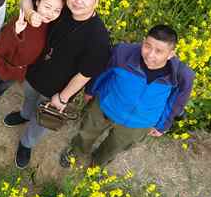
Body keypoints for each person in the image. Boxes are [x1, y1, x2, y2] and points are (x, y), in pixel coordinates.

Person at [5, 0, 111, 170]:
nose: (78, 1)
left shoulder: (98, 38)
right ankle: (24, 115)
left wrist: (63, 99)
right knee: (28, 99)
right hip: (34, 74)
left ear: (97, 1)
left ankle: (26, 144)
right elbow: (26, 0)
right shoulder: (61, 10)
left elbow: (84, 75)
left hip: (57, 90)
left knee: (42, 121)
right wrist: (30, 13)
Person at [59, 25, 194, 169]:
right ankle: (76, 152)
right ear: (143, 41)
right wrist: (90, 92)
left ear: (171, 54)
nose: (150, 55)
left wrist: (163, 125)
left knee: (114, 147)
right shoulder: (123, 53)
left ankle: (97, 165)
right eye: (147, 46)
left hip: (140, 122)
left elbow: (176, 103)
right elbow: (103, 72)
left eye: (159, 51)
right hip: (105, 106)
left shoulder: (182, 75)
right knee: (86, 133)